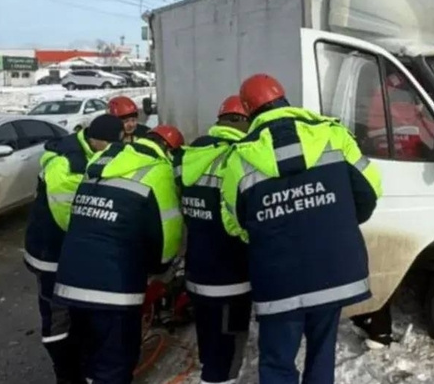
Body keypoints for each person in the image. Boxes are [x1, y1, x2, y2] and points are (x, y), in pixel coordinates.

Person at [221, 74, 382, 384]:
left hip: (279, 277)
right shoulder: (334, 136)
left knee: (277, 360)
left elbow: (236, 223)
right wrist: (336, 224)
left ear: (247, 110)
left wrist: (268, 235)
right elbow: (370, 192)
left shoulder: (239, 160)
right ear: (284, 97)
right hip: (333, 267)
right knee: (323, 351)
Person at [53, 124, 185, 384]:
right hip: (114, 289)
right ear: (170, 151)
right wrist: (159, 270)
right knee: (114, 367)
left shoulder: (104, 159)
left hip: (70, 281)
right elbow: (166, 237)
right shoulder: (158, 171)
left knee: (88, 358)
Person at [24, 114, 125, 384]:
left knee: (78, 314)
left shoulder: (88, 153)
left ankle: (80, 362)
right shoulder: (68, 163)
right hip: (52, 254)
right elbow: (70, 217)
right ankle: (67, 374)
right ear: (97, 141)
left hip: (69, 253)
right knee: (57, 317)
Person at [174, 95, 252, 384]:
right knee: (227, 356)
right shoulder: (240, 157)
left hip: (198, 271)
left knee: (209, 341)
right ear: (243, 121)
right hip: (231, 277)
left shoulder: (189, 155)